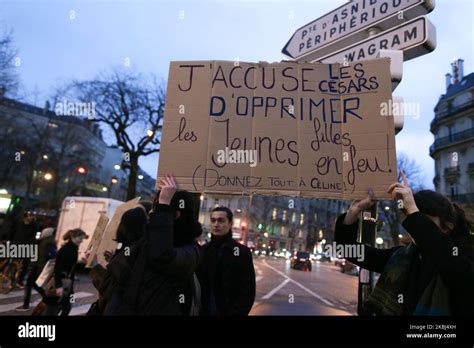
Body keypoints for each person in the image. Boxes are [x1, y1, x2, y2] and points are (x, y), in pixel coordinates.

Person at [334, 172, 474, 316]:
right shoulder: (401, 258)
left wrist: (413, 210)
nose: (415, 227)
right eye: (411, 217)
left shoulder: (464, 261)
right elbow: (347, 249)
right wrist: (354, 212)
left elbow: (451, 264)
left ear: (447, 227)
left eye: (423, 220)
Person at [115, 174, 203, 315]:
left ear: (175, 215)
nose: (151, 212)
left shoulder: (192, 251)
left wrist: (163, 205)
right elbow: (122, 285)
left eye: (157, 207)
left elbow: (162, 257)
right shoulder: (147, 241)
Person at [196, 206, 256, 315]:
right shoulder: (204, 250)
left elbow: (248, 290)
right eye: (213, 220)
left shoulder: (242, 252)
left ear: (230, 223)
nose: (216, 224)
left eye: (221, 220)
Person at [89, 206, 148, 315]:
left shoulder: (131, 252)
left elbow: (109, 288)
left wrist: (95, 266)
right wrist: (113, 260)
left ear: (124, 228)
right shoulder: (141, 247)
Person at [43, 228, 88, 316]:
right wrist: (59, 286)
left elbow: (72, 268)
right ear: (73, 237)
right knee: (51, 309)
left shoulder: (74, 249)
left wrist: (85, 260)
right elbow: (57, 268)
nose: (82, 241)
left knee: (67, 306)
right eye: (80, 238)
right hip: (60, 284)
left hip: (68, 285)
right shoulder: (65, 250)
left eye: (82, 239)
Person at [16, 227, 57, 311]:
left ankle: (25, 305)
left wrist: (38, 269)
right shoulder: (47, 242)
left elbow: (41, 257)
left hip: (37, 268)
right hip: (38, 268)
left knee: (29, 285)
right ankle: (46, 299)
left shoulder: (45, 243)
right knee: (35, 285)